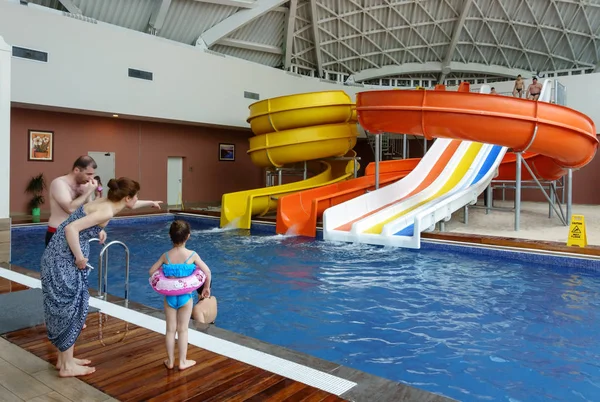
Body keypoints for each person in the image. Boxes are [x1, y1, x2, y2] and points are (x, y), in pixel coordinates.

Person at [41, 177, 163, 378]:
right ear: (126, 197)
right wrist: (80, 258)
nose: (137, 199)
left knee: (73, 304)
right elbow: (71, 228)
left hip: (57, 254)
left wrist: (149, 203)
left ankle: (65, 360)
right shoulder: (106, 210)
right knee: (69, 307)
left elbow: (86, 219)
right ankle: (67, 366)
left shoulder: (105, 202)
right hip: (63, 258)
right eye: (136, 196)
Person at [149, 220, 212, 371]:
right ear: (188, 236)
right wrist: (206, 288)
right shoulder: (192, 255)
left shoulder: (166, 256)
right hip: (186, 297)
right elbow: (207, 272)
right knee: (183, 329)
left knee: (170, 329)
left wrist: (164, 274)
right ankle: (182, 361)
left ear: (170, 237)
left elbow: (151, 272)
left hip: (170, 298)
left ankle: (170, 361)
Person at [46, 156, 101, 247]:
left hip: (77, 233)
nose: (91, 178)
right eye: (88, 174)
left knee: (80, 261)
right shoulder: (59, 183)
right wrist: (88, 192)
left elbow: (89, 210)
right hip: (58, 232)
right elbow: (70, 208)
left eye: (92, 174)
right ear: (76, 170)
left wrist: (99, 228)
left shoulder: (85, 185)